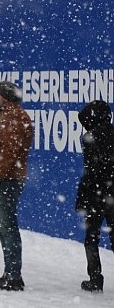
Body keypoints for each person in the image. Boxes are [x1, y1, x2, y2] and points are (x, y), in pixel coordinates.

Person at [0, 81, 33, 291]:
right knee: (0, 225)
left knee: (7, 226)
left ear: (5, 97)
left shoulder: (14, 118)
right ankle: (10, 273)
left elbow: (9, 152)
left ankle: (13, 276)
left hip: (6, 181)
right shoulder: (5, 116)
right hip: (2, 178)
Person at [75, 100, 114, 292]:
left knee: (91, 238)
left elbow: (91, 172)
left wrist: (83, 198)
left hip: (96, 196)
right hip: (111, 194)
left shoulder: (90, 137)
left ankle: (95, 278)